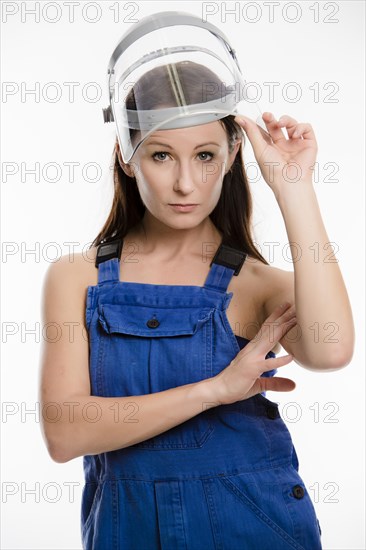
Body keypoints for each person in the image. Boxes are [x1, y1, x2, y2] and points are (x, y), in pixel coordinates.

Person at [39, 11, 354, 550]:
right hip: (127, 530)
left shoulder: (256, 285)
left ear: (233, 155)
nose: (186, 183)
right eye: (162, 155)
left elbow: (331, 352)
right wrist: (216, 390)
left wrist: (294, 188)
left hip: (255, 527)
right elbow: (66, 433)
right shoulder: (76, 277)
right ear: (127, 155)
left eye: (206, 156)